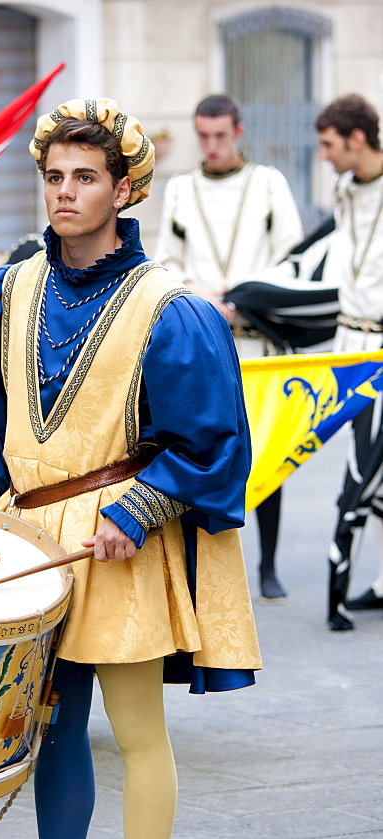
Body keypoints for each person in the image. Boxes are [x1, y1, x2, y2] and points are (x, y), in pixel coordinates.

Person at [0, 98, 261, 839]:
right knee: (50, 732)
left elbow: (213, 441)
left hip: (118, 543)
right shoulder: (10, 288)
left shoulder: (169, 306)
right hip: (31, 543)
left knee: (138, 732)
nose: (65, 192)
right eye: (54, 176)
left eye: (85, 178)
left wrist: (138, 510)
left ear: (123, 188)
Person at [155, 94, 304, 604]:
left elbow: (292, 257)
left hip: (255, 339)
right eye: (204, 135)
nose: (212, 145)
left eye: (221, 135)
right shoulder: (180, 188)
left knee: (267, 451)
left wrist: (244, 300)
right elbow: (167, 259)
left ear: (238, 132)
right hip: (204, 336)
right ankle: (210, 566)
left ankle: (268, 565)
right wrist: (201, 297)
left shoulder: (269, 183)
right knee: (203, 449)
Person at [313, 95, 383, 630]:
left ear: (356, 139)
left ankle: (336, 599)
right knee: (367, 469)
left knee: (361, 476)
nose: (323, 155)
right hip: (349, 347)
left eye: (329, 144)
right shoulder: (342, 190)